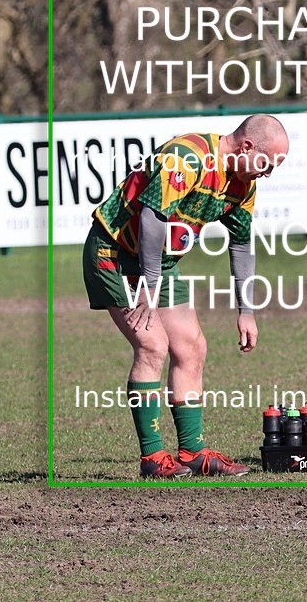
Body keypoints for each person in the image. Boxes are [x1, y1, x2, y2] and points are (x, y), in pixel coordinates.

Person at [82, 114, 289, 478]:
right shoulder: (189, 157)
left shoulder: (243, 185)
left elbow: (241, 245)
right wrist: (148, 283)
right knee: (152, 345)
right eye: (266, 164)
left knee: (191, 348)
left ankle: (192, 452)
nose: (267, 174)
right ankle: (152, 458)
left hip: (160, 261)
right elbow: (152, 217)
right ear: (246, 147)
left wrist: (246, 310)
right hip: (113, 252)